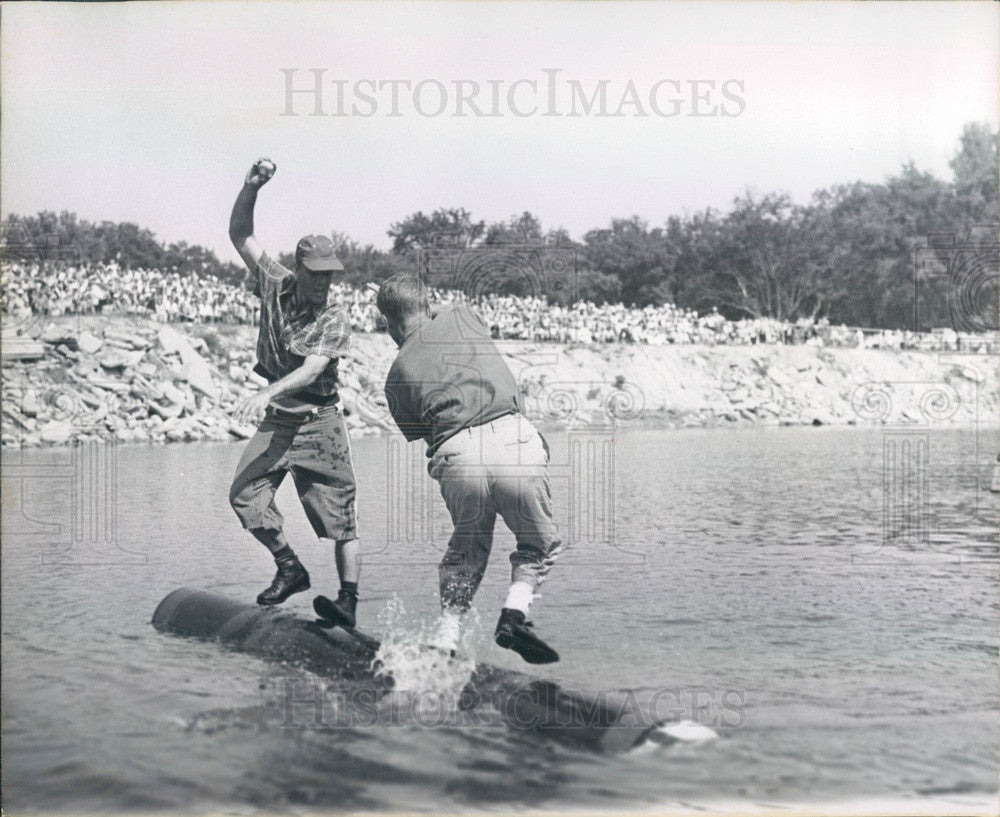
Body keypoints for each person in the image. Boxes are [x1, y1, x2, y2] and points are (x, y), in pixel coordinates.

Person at [373, 273, 562, 664]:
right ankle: (515, 614)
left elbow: (429, 437)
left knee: (467, 546)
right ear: (427, 304)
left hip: (456, 452)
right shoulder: (461, 315)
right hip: (514, 439)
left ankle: (446, 637)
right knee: (536, 544)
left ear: (387, 323)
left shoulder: (394, 379)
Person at [227, 158, 362, 626]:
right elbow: (241, 235)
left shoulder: (335, 316)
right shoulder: (275, 282)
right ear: (299, 268)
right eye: (317, 274)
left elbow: (312, 369)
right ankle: (289, 566)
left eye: (331, 275)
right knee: (244, 494)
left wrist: (268, 392)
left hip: (319, 420)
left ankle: (347, 600)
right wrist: (251, 188)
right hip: (280, 419)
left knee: (340, 518)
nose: (325, 283)